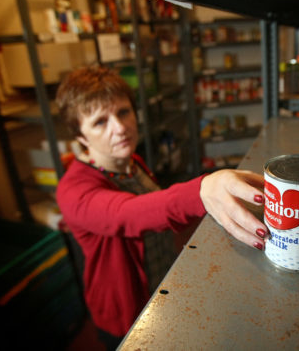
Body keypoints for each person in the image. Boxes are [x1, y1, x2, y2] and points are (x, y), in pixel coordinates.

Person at [55, 66, 267, 350]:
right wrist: (202, 190)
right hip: (126, 314)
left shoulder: (131, 163)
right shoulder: (73, 190)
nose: (119, 128)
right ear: (80, 136)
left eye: (123, 112)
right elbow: (127, 213)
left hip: (161, 287)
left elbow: (159, 214)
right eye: (99, 122)